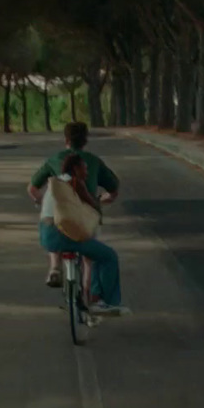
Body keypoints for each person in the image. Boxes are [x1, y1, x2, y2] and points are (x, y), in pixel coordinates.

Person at [32, 151, 128, 317]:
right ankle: (101, 301)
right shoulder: (76, 183)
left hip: (47, 238)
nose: (87, 172)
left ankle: (56, 268)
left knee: (91, 250)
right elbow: (92, 206)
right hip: (66, 236)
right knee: (107, 256)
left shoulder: (55, 183)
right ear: (75, 169)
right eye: (85, 168)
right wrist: (98, 204)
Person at [28, 122, 119, 286]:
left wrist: (43, 200)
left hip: (60, 219)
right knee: (88, 260)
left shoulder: (54, 159)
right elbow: (113, 191)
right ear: (85, 140)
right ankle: (89, 296)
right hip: (85, 218)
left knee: (54, 220)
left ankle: (55, 267)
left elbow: (32, 188)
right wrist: (99, 200)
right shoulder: (94, 161)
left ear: (66, 139)